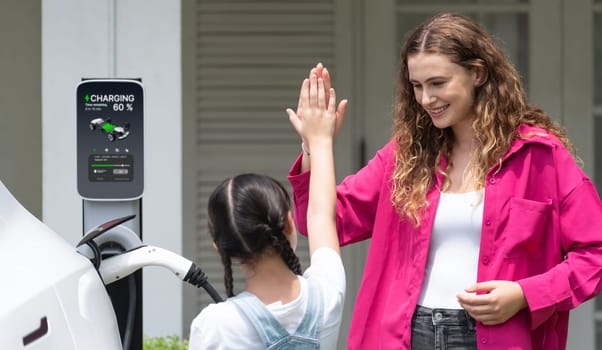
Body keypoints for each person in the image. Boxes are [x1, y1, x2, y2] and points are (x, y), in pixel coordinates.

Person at [286, 12, 602, 350]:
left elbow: (595, 254)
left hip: (499, 337)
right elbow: (323, 220)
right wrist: (313, 146)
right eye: (417, 86)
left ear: (477, 73)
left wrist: (525, 295)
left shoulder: (541, 157)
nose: (425, 99)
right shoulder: (405, 156)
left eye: (438, 83)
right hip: (406, 335)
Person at [188, 74, 346, 349]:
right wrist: (319, 143)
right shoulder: (327, 296)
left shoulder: (216, 326)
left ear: (220, 246)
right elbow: (321, 215)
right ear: (288, 222)